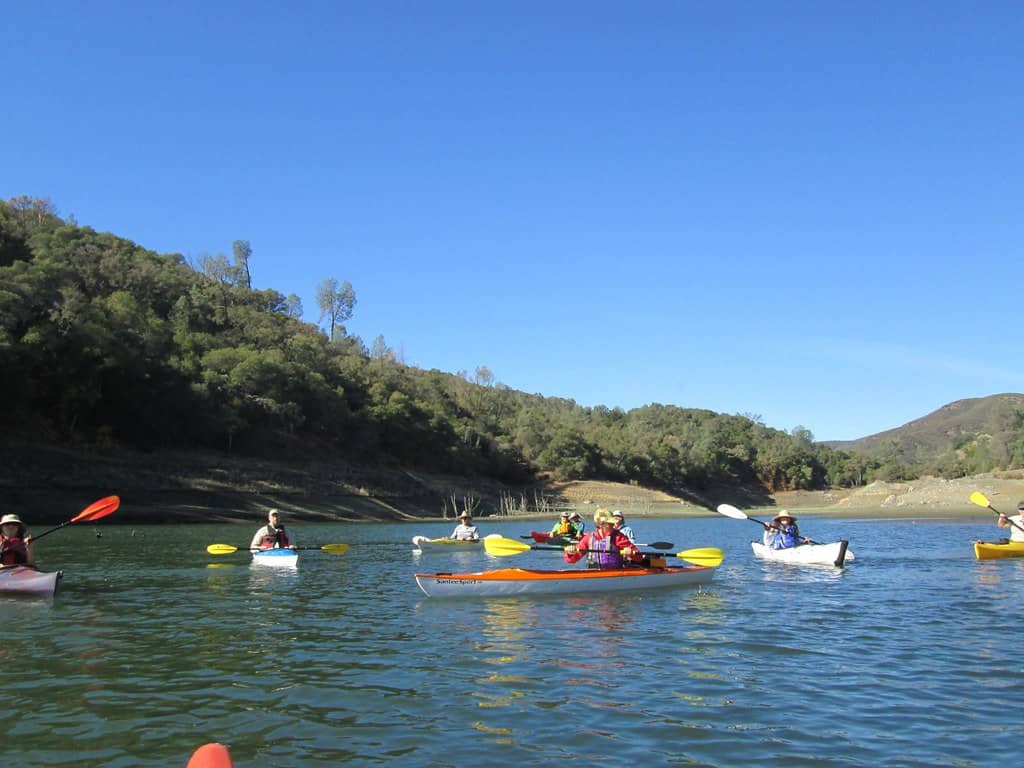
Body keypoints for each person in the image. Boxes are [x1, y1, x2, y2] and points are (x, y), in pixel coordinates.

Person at [564, 509, 642, 569]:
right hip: (593, 575)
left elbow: (639, 557)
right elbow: (571, 560)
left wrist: (631, 553)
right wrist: (570, 553)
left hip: (615, 575)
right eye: (610, 523)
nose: (613, 525)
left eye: (613, 523)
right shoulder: (588, 538)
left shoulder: (618, 537)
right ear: (600, 525)